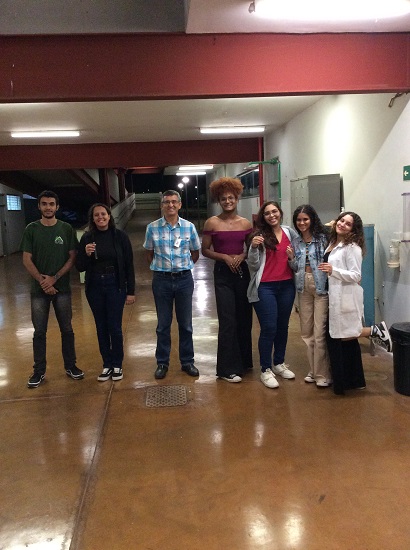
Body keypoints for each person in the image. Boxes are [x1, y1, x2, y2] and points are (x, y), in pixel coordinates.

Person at [318, 211, 392, 395]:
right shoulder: (334, 241)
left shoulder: (352, 247)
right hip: (333, 294)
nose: (342, 224)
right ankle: (353, 381)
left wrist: (333, 270)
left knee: (338, 336)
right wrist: (334, 224)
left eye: (348, 223)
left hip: (344, 295)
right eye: (342, 220)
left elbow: (356, 275)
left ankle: (374, 331)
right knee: (342, 340)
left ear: (354, 229)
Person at [20, 190, 84, 388]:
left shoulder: (66, 229)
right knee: (39, 331)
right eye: (44, 204)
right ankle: (38, 371)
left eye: (51, 204)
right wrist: (43, 281)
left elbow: (72, 257)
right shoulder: (31, 229)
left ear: (57, 207)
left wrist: (54, 279)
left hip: (62, 289)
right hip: (39, 291)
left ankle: (71, 366)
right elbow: (26, 259)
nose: (48, 207)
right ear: (39, 207)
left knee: (67, 329)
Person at [143, 190, 201, 380]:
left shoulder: (189, 227)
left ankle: (187, 361)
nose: (170, 205)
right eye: (166, 202)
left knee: (186, 324)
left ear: (179, 205)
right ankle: (162, 362)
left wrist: (183, 268)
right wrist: (163, 268)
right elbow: (149, 253)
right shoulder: (152, 228)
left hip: (184, 280)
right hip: (161, 280)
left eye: (174, 202)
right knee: (163, 325)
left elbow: (195, 253)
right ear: (162, 205)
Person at [75, 203, 135, 382]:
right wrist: (84, 254)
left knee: (114, 327)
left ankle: (117, 363)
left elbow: (129, 265)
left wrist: (130, 291)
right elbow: (80, 267)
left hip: (115, 285)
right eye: (96, 215)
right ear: (92, 219)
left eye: (103, 214)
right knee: (101, 327)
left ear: (109, 216)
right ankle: (107, 364)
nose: (100, 217)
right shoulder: (87, 237)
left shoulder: (120, 237)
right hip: (95, 287)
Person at [202, 177, 253, 383]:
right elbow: (205, 250)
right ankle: (226, 368)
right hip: (223, 274)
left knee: (244, 318)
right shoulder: (212, 222)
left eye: (231, 198)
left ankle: (244, 362)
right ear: (218, 200)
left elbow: (251, 249)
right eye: (223, 199)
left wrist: (242, 256)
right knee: (227, 320)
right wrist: (223, 256)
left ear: (237, 198)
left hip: (242, 273)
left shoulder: (246, 223)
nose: (228, 201)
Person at [247, 201, 298, 389]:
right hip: (265, 287)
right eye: (267, 213)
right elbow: (252, 266)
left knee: (282, 326)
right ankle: (265, 369)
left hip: (286, 286)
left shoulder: (289, 233)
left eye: (274, 211)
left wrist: (292, 258)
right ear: (263, 217)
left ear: (280, 212)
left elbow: (296, 264)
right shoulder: (258, 236)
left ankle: (278, 363)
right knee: (269, 327)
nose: (272, 215)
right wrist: (252, 248)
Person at [288, 204, 332, 387]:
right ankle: (313, 370)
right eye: (298, 220)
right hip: (303, 286)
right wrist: (291, 259)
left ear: (312, 219)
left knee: (320, 332)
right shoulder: (296, 242)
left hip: (321, 286)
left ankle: (323, 374)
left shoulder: (323, 239)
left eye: (305, 219)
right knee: (306, 332)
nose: (302, 223)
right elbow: (295, 268)